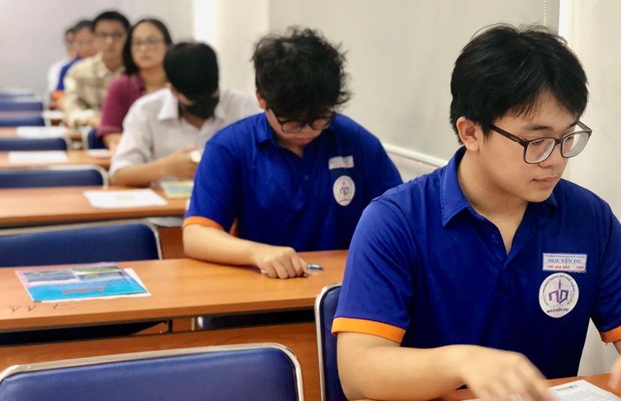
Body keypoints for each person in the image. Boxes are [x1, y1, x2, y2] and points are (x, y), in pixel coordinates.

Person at [333, 24, 621, 401]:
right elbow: (358, 369)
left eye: (567, 137)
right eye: (536, 141)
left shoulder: (588, 218)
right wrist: (459, 363)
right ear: (471, 133)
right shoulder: (396, 220)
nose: (555, 159)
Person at [183, 27, 402, 279]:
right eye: (293, 123)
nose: (307, 131)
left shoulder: (355, 141)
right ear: (261, 99)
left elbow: (398, 216)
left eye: (319, 119)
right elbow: (196, 235)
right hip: (259, 289)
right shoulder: (230, 147)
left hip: (340, 290)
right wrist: (258, 253)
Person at [109, 42, 259, 187]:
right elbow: (119, 174)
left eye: (211, 97)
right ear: (173, 91)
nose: (204, 105)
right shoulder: (146, 110)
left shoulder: (242, 106)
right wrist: (167, 167)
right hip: (167, 210)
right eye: (195, 101)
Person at [97, 18, 173, 151]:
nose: (143, 49)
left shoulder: (179, 85)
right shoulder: (120, 86)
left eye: (151, 42)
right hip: (136, 162)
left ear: (167, 45)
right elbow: (111, 135)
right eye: (137, 43)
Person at [62, 10, 130, 127]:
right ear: (94, 38)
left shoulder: (138, 71)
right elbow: (71, 108)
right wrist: (95, 119)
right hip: (92, 135)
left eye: (117, 35)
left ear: (128, 37)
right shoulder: (79, 71)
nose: (110, 41)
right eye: (103, 35)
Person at [52, 20, 96, 104]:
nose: (85, 48)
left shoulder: (106, 66)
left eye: (89, 42)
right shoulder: (67, 69)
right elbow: (58, 96)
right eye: (80, 43)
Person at [46, 25, 76, 95]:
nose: (71, 46)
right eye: (69, 42)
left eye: (74, 41)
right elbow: (54, 94)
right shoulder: (59, 68)